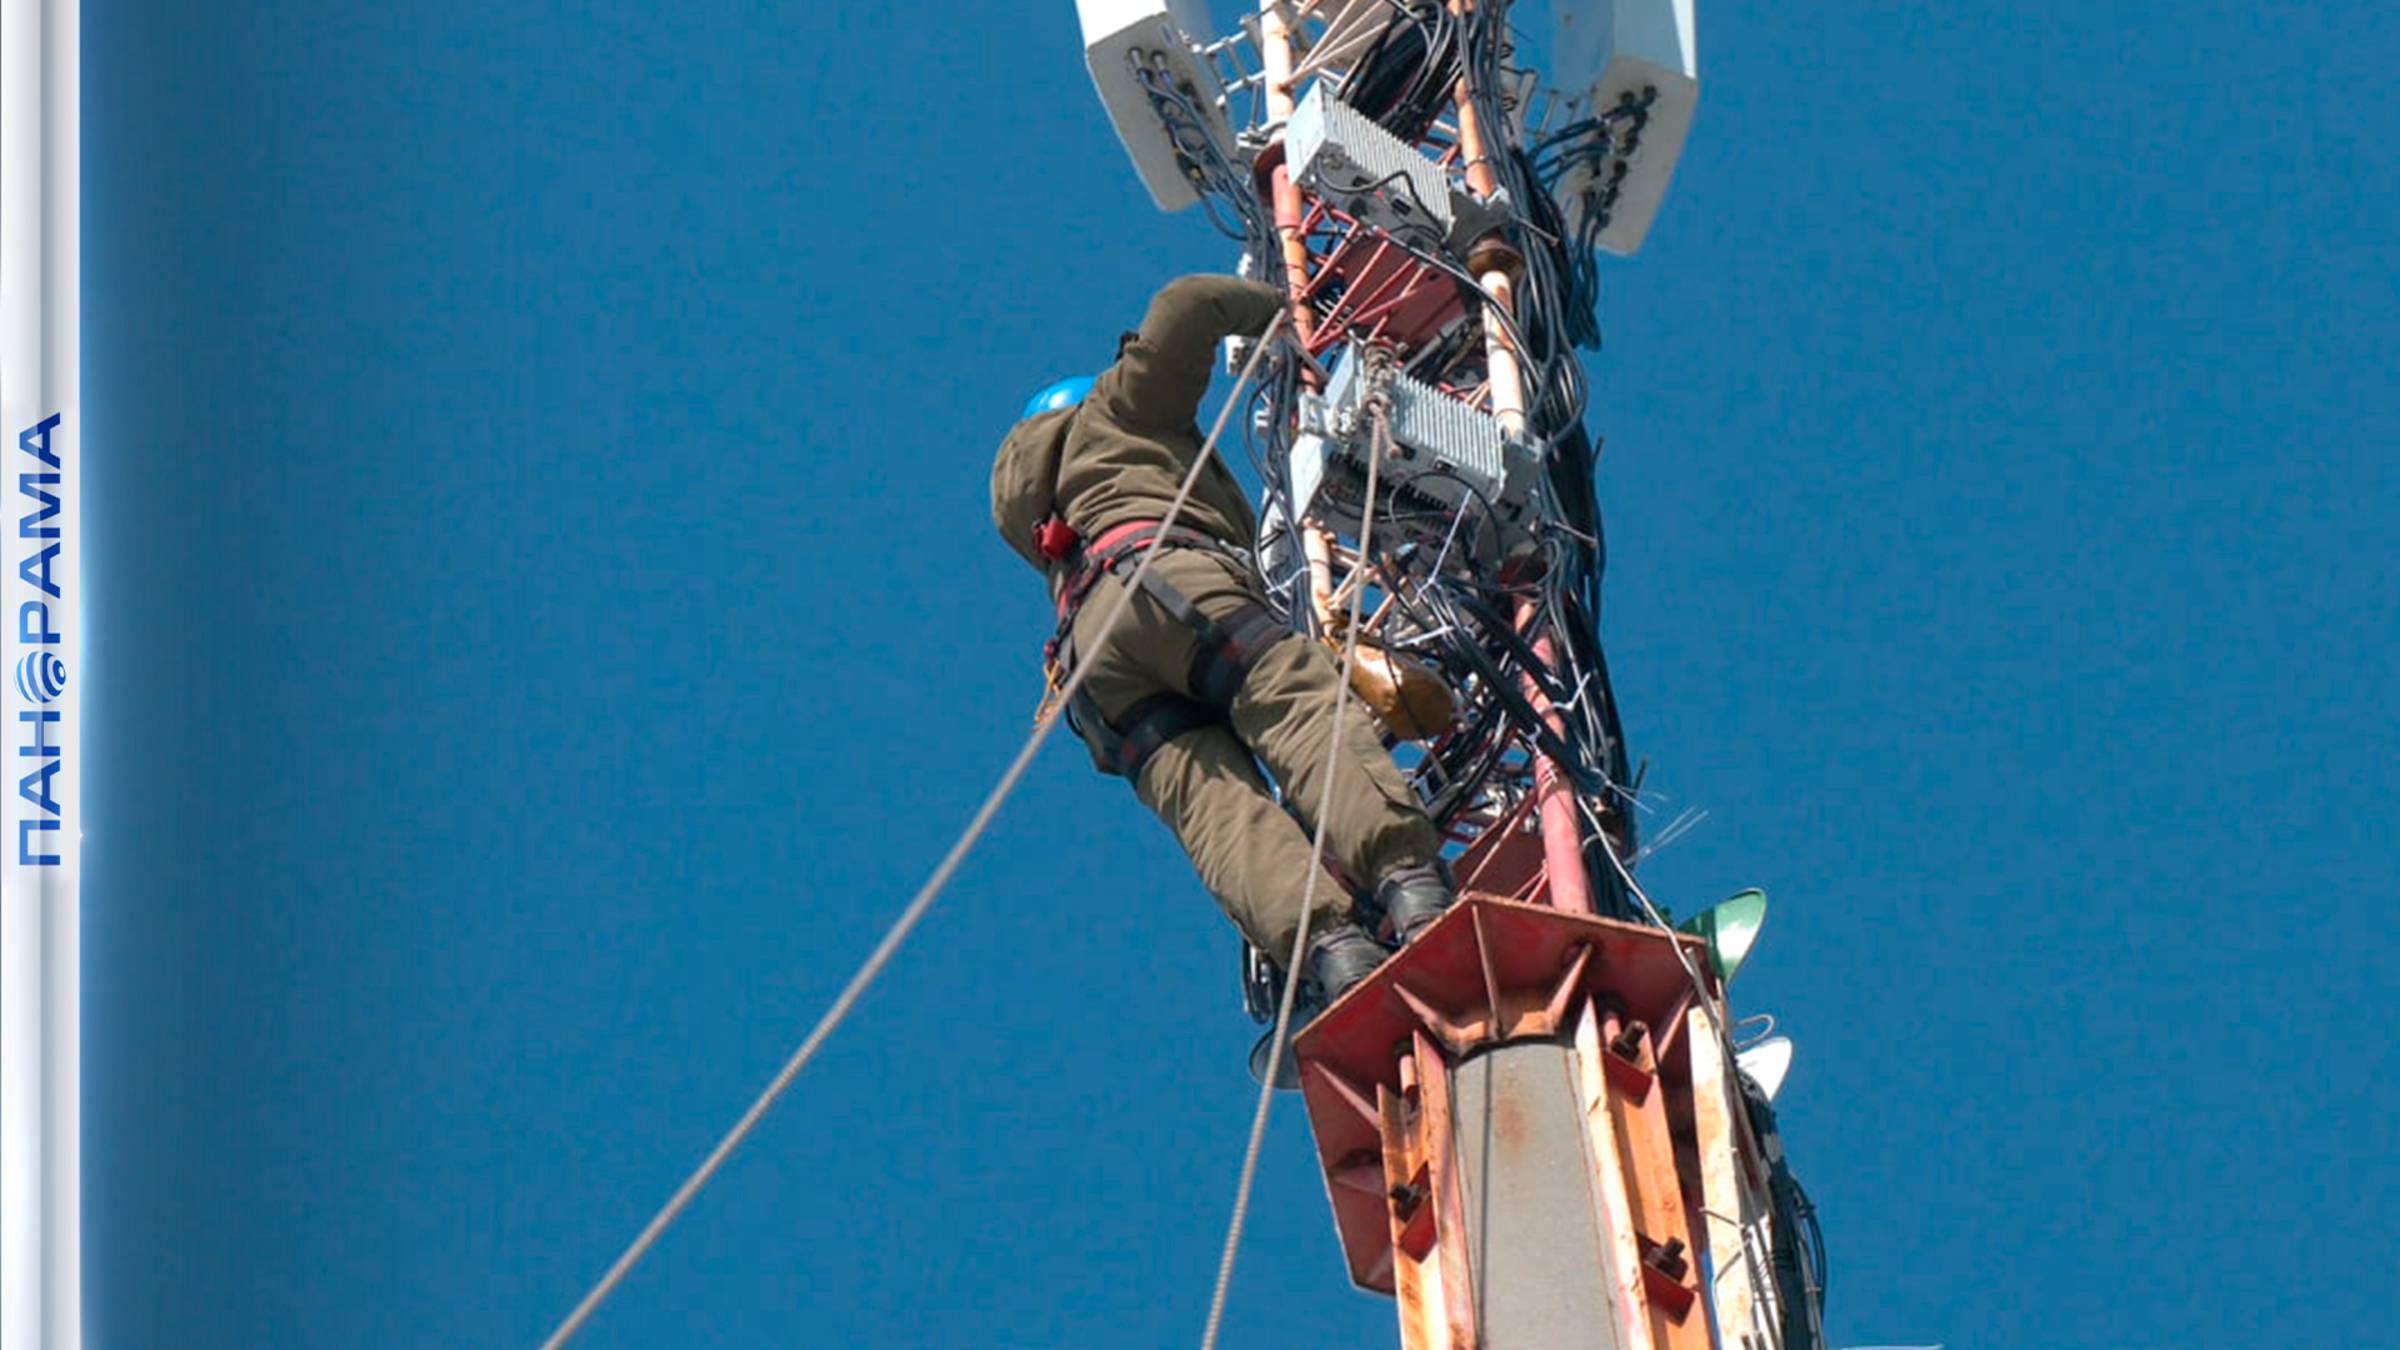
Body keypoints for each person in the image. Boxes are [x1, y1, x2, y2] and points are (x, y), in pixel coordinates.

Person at [991, 274, 1456, 1039]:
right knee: (1297, 704)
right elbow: (1187, 307)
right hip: (1169, 585)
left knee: (1220, 815)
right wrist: (1286, 309)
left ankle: (1335, 954)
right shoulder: (1114, 416)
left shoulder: (1041, 514)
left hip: (1099, 678)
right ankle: (1409, 884)